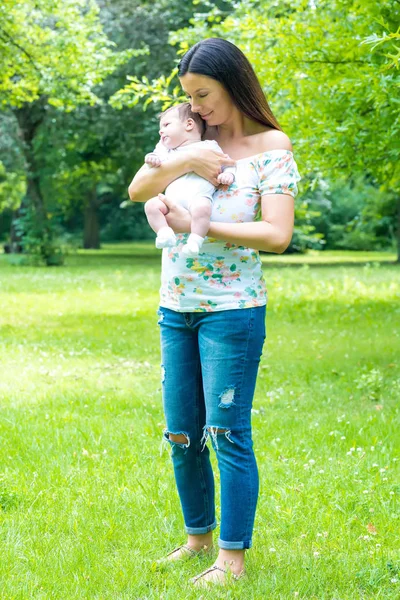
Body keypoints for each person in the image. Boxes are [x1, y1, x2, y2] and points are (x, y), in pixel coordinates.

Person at [128, 37, 301, 588]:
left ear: (232, 82)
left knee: (226, 431)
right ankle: (197, 538)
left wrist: (196, 227)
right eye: (190, 97)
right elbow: (137, 190)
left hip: (233, 312)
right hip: (175, 308)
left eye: (203, 94)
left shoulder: (270, 145)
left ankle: (231, 557)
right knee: (182, 432)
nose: (196, 106)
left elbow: (276, 234)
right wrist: (184, 155)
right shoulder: (190, 135)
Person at [144, 102, 235, 256]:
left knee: (202, 209)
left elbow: (228, 164)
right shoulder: (166, 150)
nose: (161, 131)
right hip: (170, 200)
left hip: (197, 197)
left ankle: (195, 241)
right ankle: (164, 232)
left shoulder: (210, 147)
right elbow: (154, 157)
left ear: (189, 124)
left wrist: (228, 174)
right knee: (151, 205)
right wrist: (151, 158)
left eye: (166, 125)